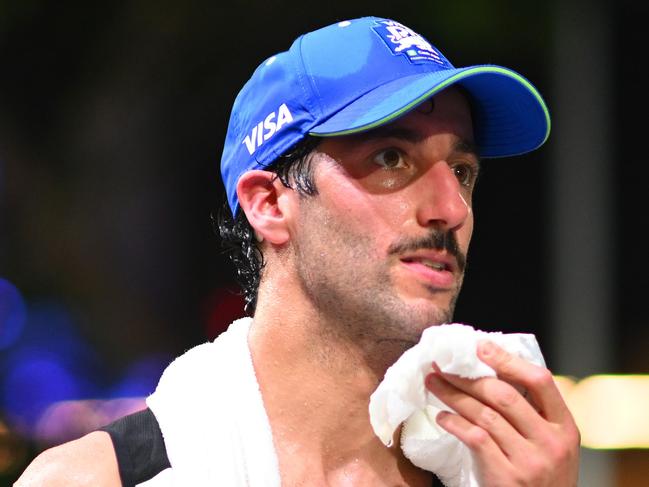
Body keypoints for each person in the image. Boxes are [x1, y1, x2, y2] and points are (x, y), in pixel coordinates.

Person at [16, 16, 580, 487]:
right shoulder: (95, 480)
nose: (451, 208)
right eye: (391, 159)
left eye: (462, 170)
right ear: (267, 203)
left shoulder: (501, 471)